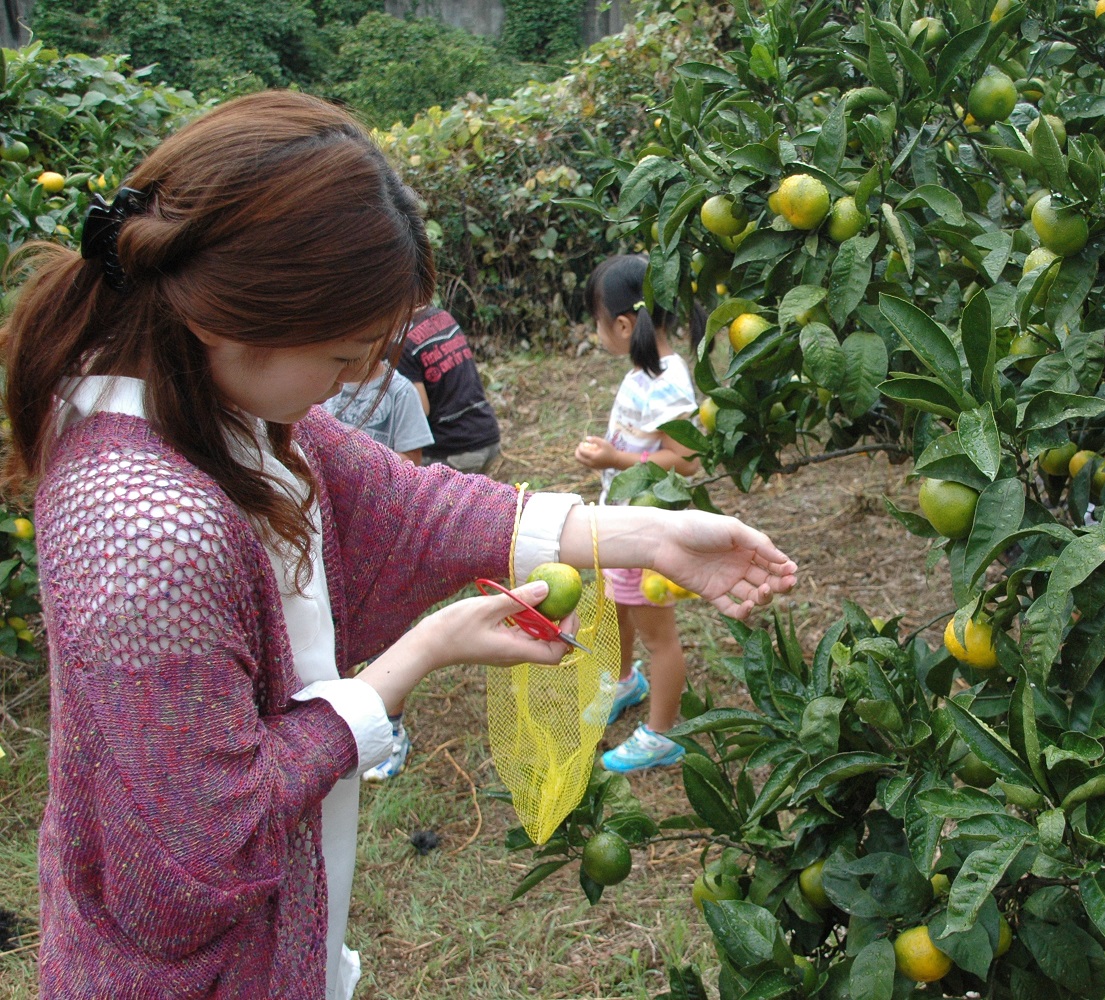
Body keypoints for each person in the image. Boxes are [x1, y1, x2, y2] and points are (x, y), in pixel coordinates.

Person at [2, 91, 796, 1000]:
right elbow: (207, 843)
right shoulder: (145, 529)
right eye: (342, 356)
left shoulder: (221, 405)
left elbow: (413, 505)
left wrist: (654, 534)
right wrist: (424, 651)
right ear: (227, 315)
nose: (362, 378)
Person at [575, 254, 704, 774]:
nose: (597, 332)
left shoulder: (668, 382)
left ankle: (663, 733)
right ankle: (626, 681)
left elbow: (686, 462)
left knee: (659, 635)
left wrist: (614, 459)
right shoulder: (645, 371)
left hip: (649, 530)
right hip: (622, 523)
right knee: (617, 610)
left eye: (598, 322)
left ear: (624, 325)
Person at [320, 361, 432, 780]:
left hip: (380, 535)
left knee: (386, 637)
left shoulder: (399, 392)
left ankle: (391, 728)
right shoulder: (322, 384)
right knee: (338, 633)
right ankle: (345, 721)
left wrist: (363, 472)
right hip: (331, 533)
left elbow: (411, 468)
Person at [397, 303, 502, 472]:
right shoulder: (440, 316)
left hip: (455, 450)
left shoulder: (401, 343)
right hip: (487, 433)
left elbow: (419, 410)